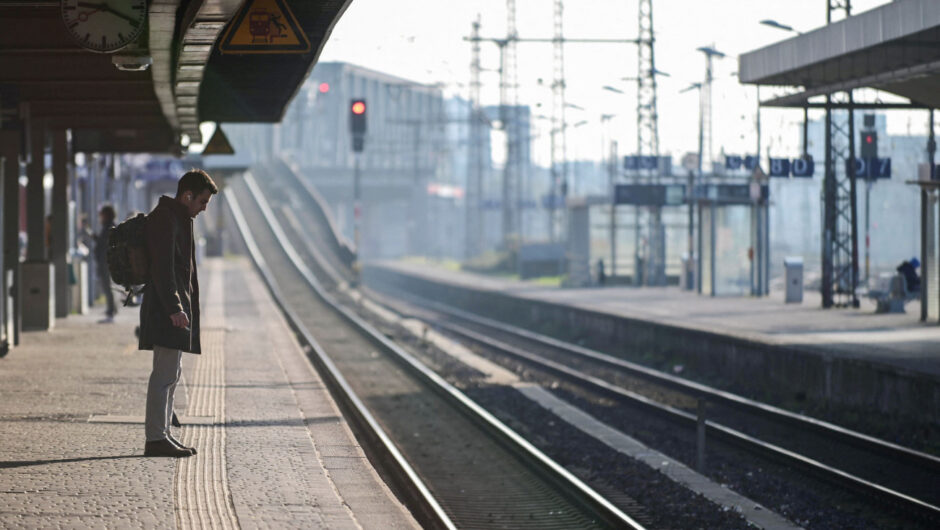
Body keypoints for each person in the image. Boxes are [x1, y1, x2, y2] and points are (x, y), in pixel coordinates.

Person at [140, 169, 218, 458]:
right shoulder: (166, 219)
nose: (204, 208)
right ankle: (155, 438)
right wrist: (175, 308)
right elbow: (163, 269)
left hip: (171, 309)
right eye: (202, 201)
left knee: (172, 374)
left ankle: (163, 434)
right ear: (187, 196)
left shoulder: (177, 218)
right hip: (166, 311)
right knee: (164, 375)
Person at [94, 206, 118, 323]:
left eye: (102, 215)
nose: (100, 217)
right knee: (108, 287)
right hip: (106, 261)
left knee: (107, 287)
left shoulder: (109, 227)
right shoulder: (109, 226)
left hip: (106, 261)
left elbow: (104, 244)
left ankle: (111, 312)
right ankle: (112, 310)